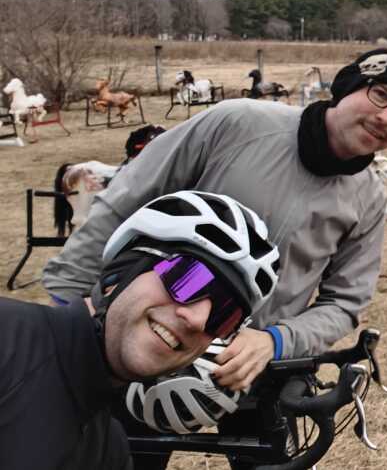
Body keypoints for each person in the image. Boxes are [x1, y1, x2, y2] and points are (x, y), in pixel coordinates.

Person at [42, 47, 387, 394]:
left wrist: (276, 341)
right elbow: (128, 197)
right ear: (347, 87)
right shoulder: (237, 124)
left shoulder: (370, 196)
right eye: (381, 95)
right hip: (156, 329)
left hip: (251, 366)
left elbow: (345, 302)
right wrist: (69, 300)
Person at [0, 190, 280, 470]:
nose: (197, 319)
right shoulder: (8, 338)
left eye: (223, 316)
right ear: (124, 270)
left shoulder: (110, 452)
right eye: (187, 279)